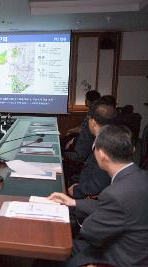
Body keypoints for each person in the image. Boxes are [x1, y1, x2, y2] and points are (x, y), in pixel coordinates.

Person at [49, 125, 148, 267]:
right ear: (132, 150)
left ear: (101, 155)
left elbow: (89, 233)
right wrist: (74, 202)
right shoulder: (142, 177)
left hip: (117, 258)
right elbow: (120, 208)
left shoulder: (115, 193)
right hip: (136, 250)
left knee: (54, 253)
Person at [68, 100, 117, 199]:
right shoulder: (106, 138)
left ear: (93, 122)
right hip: (87, 184)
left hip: (91, 199)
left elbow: (98, 184)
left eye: (88, 119)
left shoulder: (104, 146)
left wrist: (77, 190)